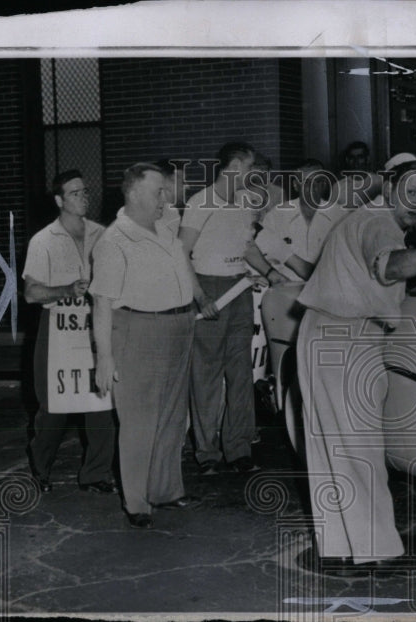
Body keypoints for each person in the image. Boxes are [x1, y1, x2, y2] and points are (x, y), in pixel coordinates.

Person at [295, 157, 416, 569]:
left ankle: (342, 547)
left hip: (326, 333)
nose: (415, 203)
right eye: (409, 191)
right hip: (345, 336)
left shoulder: (368, 218)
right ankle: (377, 552)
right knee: (361, 448)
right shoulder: (379, 222)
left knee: (335, 450)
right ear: (389, 188)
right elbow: (390, 269)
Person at [91, 163, 202, 529]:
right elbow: (102, 302)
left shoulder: (164, 230)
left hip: (178, 325)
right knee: (138, 420)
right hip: (139, 329)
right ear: (135, 193)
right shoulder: (114, 240)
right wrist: (104, 357)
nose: (165, 198)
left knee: (172, 416)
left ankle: (166, 489)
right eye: (158, 192)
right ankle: (137, 501)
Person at [180, 142, 273, 475]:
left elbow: (247, 249)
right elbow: (181, 253)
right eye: (249, 168)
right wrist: (201, 297)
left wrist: (269, 275)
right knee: (205, 375)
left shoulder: (245, 204)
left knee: (241, 373)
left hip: (240, 290)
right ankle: (206, 452)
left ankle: (239, 449)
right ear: (234, 166)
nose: (253, 176)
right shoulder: (200, 202)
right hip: (210, 290)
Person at [23, 170, 117, 495]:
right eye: (75, 193)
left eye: (85, 191)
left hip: (95, 326)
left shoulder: (103, 235)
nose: (83, 197)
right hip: (59, 331)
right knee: (53, 408)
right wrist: (66, 289)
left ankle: (96, 473)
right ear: (60, 200)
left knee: (102, 401)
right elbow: (31, 294)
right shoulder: (43, 240)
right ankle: (40, 467)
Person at [249, 158, 334, 282]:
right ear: (295, 185)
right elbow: (263, 251)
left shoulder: (341, 216)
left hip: (327, 287)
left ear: (325, 184)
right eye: (305, 182)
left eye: (318, 181)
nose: (312, 187)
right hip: (286, 288)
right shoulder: (276, 215)